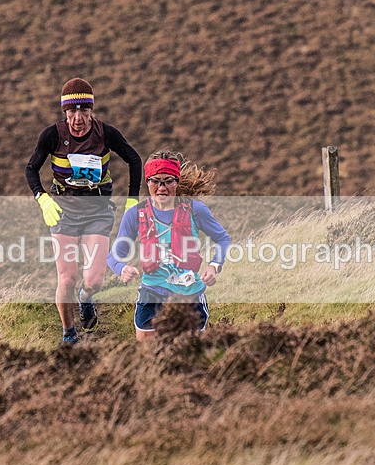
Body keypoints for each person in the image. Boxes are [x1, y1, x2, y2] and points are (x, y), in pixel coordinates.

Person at [25, 78, 142, 345]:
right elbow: (31, 169)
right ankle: (69, 332)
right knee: (66, 278)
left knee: (94, 281)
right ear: (64, 112)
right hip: (63, 212)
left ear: (92, 110)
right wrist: (42, 198)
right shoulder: (52, 135)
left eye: (84, 111)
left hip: (98, 212)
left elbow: (134, 159)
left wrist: (132, 201)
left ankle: (86, 298)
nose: (78, 118)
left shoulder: (105, 133)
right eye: (72, 112)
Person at [107, 151, 230, 341]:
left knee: (191, 350)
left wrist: (214, 266)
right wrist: (121, 269)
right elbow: (114, 255)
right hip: (152, 292)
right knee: (147, 349)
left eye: (168, 181)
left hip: (189, 294)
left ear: (177, 182)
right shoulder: (135, 214)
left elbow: (222, 238)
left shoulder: (195, 210)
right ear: (147, 182)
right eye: (155, 181)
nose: (162, 188)